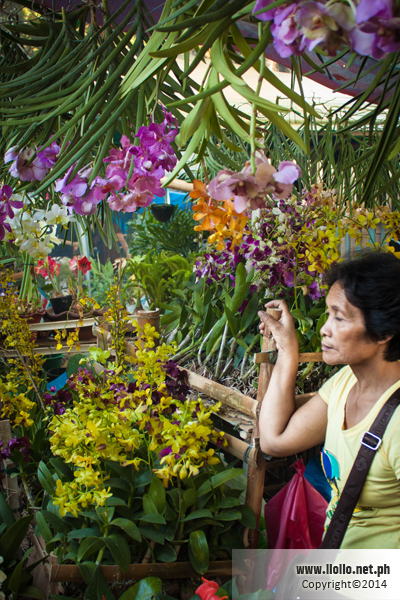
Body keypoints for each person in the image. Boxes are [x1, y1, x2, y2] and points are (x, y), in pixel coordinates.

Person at [258, 251, 400, 549]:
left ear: (384, 331)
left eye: (339, 317)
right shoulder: (346, 382)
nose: (325, 328)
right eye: (327, 314)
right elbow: (274, 439)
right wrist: (287, 350)